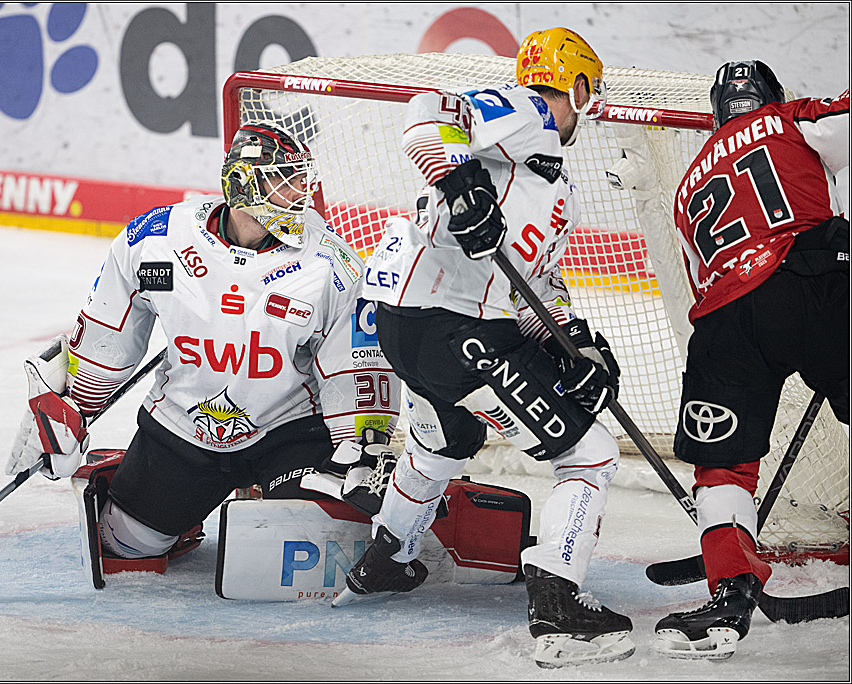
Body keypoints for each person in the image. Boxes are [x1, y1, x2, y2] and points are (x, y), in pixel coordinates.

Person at [343, 27, 635, 668]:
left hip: (414, 329)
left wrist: (572, 343)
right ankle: (557, 603)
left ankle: (387, 557)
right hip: (452, 327)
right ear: (576, 86)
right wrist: (458, 183)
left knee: (445, 439)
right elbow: (428, 110)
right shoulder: (531, 113)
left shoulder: (555, 186)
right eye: (590, 90)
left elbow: (533, 290)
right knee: (589, 454)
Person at [5, 122, 400, 580]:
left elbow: (355, 365)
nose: (301, 193)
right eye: (285, 179)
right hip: (184, 426)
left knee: (309, 552)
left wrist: (361, 444)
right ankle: (166, 502)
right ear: (244, 183)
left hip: (288, 431)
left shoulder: (330, 263)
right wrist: (75, 405)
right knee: (124, 546)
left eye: (301, 179)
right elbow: (107, 330)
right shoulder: (157, 239)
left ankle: (267, 489)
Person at [649, 61, 850, 659]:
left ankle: (730, 592)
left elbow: (699, 280)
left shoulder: (688, 184)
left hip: (726, 316)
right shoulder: (791, 119)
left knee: (724, 465)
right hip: (814, 279)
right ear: (772, 96)